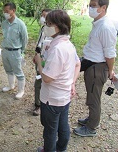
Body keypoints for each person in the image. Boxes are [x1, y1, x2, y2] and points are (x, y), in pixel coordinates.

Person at [34, 10, 81, 152]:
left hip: (52, 98)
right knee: (63, 125)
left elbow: (47, 78)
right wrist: (72, 83)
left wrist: (38, 62)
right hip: (64, 95)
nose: (46, 26)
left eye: (49, 24)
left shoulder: (58, 49)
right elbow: (77, 64)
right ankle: (61, 149)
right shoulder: (68, 45)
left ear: (59, 26)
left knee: (50, 130)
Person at [73, 0, 117, 137]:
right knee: (91, 96)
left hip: (97, 67)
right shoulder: (98, 24)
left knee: (94, 99)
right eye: (89, 5)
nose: (90, 9)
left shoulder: (105, 27)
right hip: (90, 64)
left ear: (103, 8)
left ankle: (91, 128)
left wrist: (110, 71)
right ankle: (91, 119)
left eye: (93, 6)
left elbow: (110, 54)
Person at [1, 2, 28, 99]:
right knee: (8, 70)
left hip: (15, 51)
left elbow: (25, 39)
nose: (5, 13)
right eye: (4, 11)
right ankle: (11, 85)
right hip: (5, 50)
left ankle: (21, 91)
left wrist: (22, 51)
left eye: (7, 11)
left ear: (13, 11)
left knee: (18, 72)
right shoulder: (4, 23)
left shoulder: (20, 24)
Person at [33, 8, 52, 116]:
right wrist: (36, 54)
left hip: (48, 60)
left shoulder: (54, 31)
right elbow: (39, 42)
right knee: (38, 81)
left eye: (45, 16)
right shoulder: (43, 28)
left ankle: (47, 103)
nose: (42, 18)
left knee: (48, 81)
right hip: (40, 58)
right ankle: (37, 104)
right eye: (42, 15)